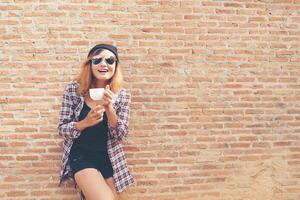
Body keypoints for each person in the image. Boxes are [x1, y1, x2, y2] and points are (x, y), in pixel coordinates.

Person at [58, 44, 134, 200]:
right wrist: (84, 122)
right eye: (97, 60)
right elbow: (62, 129)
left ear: (115, 65)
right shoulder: (74, 90)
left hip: (109, 157)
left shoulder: (122, 95)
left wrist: (110, 108)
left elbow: (120, 134)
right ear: (89, 65)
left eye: (110, 60)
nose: (103, 64)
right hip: (81, 156)